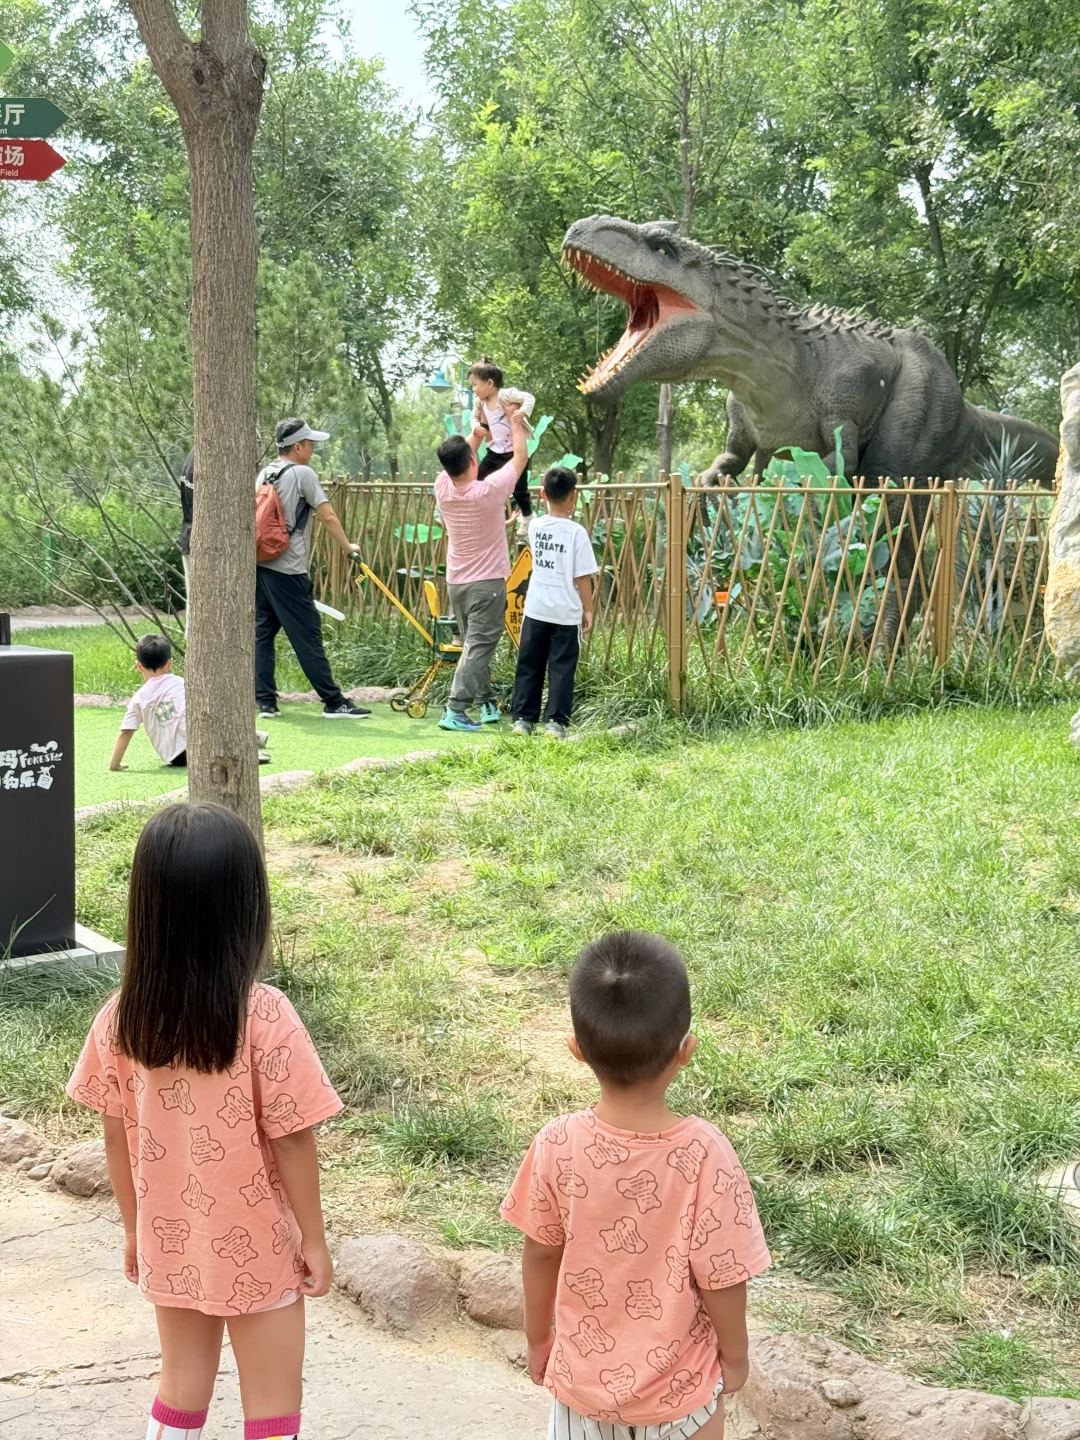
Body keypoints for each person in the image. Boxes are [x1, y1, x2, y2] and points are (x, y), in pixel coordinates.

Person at [67, 802, 343, 1440]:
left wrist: (136, 1231)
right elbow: (294, 1136)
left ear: (148, 908)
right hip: (258, 1246)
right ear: (244, 906)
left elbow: (115, 1132)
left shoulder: (122, 1017)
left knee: (179, 1393)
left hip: (170, 1237)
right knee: (273, 1407)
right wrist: (314, 1237)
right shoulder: (265, 1014)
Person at [501, 931, 771, 1440]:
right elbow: (724, 1275)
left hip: (581, 1389)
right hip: (681, 1390)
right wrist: (735, 1356)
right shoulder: (705, 1154)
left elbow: (539, 1253)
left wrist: (539, 1339)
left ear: (576, 1050)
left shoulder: (556, 1142)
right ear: (685, 1050)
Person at [256, 417, 370, 720]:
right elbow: (327, 515)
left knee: (262, 633)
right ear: (297, 446)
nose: (313, 449)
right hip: (289, 568)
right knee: (307, 635)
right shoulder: (302, 473)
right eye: (310, 444)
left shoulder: (264, 473)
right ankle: (334, 701)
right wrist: (349, 547)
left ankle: (265, 701)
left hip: (261, 564)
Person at [433, 408, 530, 732]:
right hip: (486, 584)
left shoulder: (442, 487)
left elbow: (463, 454)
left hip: (456, 582)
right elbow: (519, 458)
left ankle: (487, 703)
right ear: (473, 462)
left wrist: (480, 426)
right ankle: (455, 710)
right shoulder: (488, 492)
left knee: (476, 644)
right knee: (479, 646)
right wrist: (515, 423)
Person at [511, 465, 599, 740]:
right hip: (566, 612)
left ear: (542, 494)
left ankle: (523, 721)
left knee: (529, 664)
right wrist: (589, 609)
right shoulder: (576, 533)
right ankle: (555, 723)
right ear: (573, 496)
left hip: (536, 608)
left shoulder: (535, 527)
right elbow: (582, 577)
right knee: (561, 668)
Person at [110, 632, 269, 771]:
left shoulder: (139, 698)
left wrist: (114, 764)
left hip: (176, 758)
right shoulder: (182, 684)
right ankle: (247, 742)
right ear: (170, 663)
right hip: (200, 745)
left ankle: (250, 738)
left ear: (139, 666)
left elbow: (125, 732)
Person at [468, 359, 536, 533]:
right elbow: (473, 418)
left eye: (475, 385)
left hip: (514, 451)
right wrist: (476, 427)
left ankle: (528, 517)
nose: (473, 389)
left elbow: (529, 398)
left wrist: (521, 413)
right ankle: (483, 511)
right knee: (479, 477)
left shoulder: (506, 395)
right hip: (495, 451)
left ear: (489, 383)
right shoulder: (479, 402)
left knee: (520, 488)